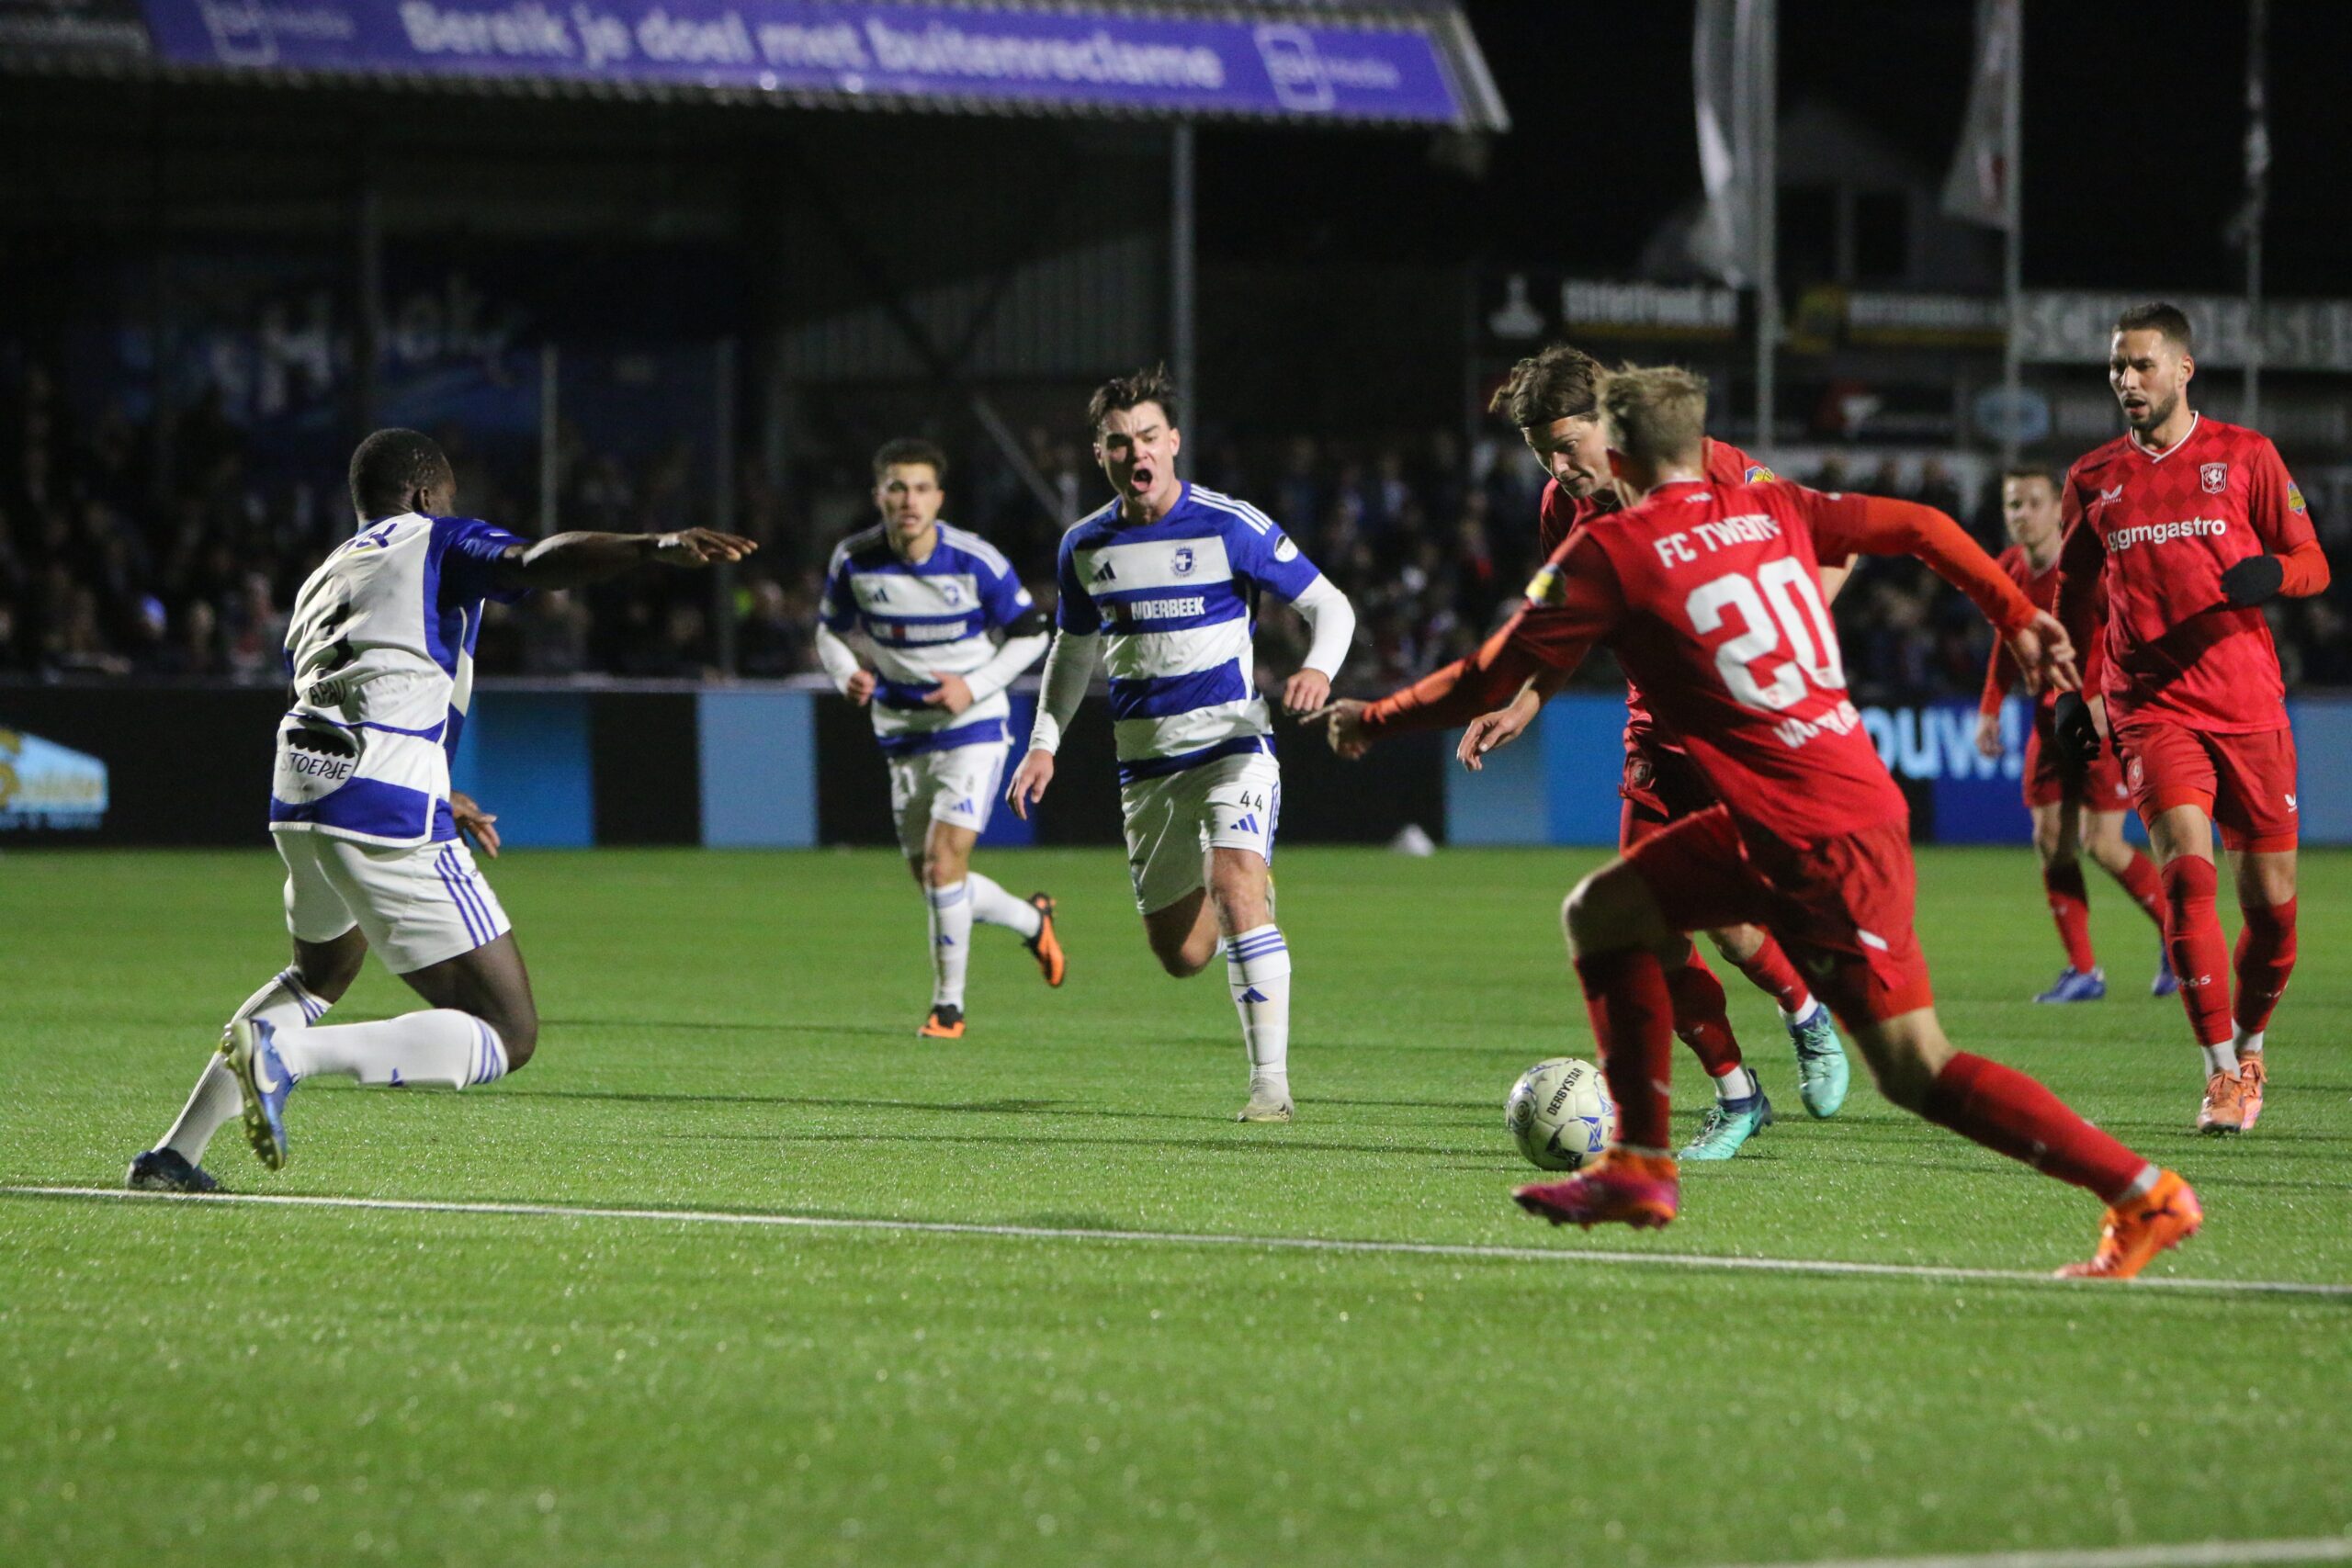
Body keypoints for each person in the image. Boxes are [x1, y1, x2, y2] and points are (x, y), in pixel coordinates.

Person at [1321, 366, 2198, 1280]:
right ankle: (1643, 1162)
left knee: (1916, 1069)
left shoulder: (1613, 546)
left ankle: (2143, 1192)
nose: (1562, 471)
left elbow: (1484, 674)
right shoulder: (1773, 506)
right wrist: (2014, 613)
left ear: (1619, 451)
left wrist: (1371, 718)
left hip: (1819, 833)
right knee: (1607, 912)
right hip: (1810, 805)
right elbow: (1920, 525)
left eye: (1572, 450)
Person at [126, 429, 755, 1191]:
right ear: (425, 495)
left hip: (300, 791)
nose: (457, 510)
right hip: (380, 796)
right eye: (451, 497)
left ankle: (173, 1155)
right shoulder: (434, 537)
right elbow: (535, 562)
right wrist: (652, 546)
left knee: (318, 973)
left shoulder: (326, 573)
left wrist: (437, 785)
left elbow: (339, 685)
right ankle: (287, 1056)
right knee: (508, 1030)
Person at [1454, 344, 1851, 1159]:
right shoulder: (1562, 510)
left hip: (1738, 730)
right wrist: (1525, 699)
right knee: (1643, 919)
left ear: (1608, 421)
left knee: (1732, 925)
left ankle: (1805, 1010)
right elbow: (1569, 625)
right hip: (1654, 728)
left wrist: (1785, 628)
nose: (1560, 469)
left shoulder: (1708, 468)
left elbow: (1835, 541)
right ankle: (1737, 1093)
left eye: (1568, 446)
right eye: (1543, 455)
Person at [1006, 367, 1356, 1122]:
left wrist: (1318, 668)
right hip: (1146, 767)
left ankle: (1270, 1086)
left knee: (1235, 885)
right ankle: (1241, 895)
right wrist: (1043, 742)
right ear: (1101, 455)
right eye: (1118, 442)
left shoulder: (1230, 524)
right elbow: (1072, 651)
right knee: (1183, 954)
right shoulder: (1084, 545)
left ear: (1172, 442)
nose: (1136, 451)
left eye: (1148, 437)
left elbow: (1331, 605)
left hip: (1233, 743)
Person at [2052, 302, 2331, 1135]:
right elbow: (2073, 590)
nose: (2126, 380)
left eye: (2141, 364)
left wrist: (2273, 575)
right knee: (2185, 873)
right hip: (2150, 705)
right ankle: (2218, 1074)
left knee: (2273, 910)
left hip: (2246, 703)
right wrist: (2070, 687)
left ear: (2183, 368)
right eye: (2117, 366)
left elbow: (2313, 562)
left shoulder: (2246, 455)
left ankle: (2250, 1046)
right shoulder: (2093, 477)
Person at [815, 438, 1062, 1040]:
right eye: (897, 487)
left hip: (971, 726)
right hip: (901, 731)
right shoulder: (855, 559)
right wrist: (846, 673)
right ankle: (1032, 921)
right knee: (934, 880)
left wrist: (971, 686)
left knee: (945, 862)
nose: (909, 500)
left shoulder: (974, 559)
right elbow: (829, 631)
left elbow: (1033, 632)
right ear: (879, 495)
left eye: (921, 488)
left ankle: (948, 1008)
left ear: (939, 498)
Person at [1973, 465, 2173, 1002]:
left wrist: (2110, 700)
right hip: (2047, 721)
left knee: (2101, 844)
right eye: (2013, 504)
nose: (2023, 514)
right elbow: (2007, 641)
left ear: (2058, 510)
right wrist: (1990, 708)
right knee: (2050, 842)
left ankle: (2178, 939)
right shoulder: (2008, 568)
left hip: (2095, 717)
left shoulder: (2089, 569)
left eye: (2034, 502)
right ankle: (2083, 972)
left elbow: (2135, 635)